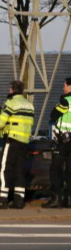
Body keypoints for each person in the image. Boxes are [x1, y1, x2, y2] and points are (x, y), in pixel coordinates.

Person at [0, 80, 34, 210]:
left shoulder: (11, 103)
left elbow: (1, 122)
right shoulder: (29, 104)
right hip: (24, 141)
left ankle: (1, 199)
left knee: (4, 169)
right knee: (19, 170)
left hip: (12, 139)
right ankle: (19, 201)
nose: (9, 91)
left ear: (12, 90)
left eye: (10, 88)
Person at [45, 77, 71, 208]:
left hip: (63, 141)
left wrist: (56, 107)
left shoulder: (65, 101)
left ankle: (56, 199)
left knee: (55, 169)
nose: (63, 88)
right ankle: (69, 199)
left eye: (64, 85)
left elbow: (53, 116)